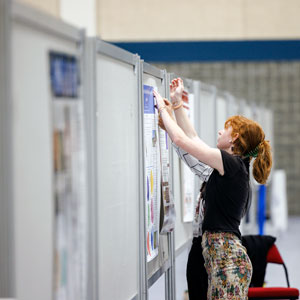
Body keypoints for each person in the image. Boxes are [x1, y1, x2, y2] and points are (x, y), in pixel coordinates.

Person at [153, 78, 272, 300]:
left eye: (225, 129)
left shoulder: (231, 163)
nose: (219, 132)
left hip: (228, 264)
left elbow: (180, 138)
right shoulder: (232, 166)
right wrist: (177, 105)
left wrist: (162, 108)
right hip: (223, 262)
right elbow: (193, 139)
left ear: (234, 138)